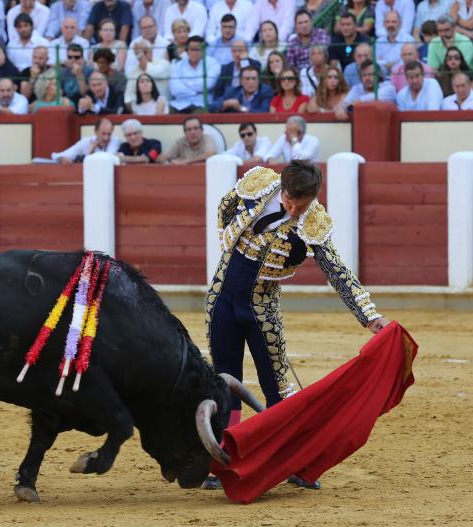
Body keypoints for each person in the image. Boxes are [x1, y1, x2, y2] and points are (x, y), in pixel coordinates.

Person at [202, 159, 389, 489]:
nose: (292, 210)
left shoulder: (314, 221)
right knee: (224, 380)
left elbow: (336, 270)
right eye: (289, 201)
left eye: (300, 206)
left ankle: (290, 462)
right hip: (222, 300)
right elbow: (225, 206)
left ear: (313, 197)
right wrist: (229, 244)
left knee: (277, 386)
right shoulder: (260, 184)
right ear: (282, 188)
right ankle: (224, 461)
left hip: (262, 308)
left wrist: (369, 315)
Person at [169, 36, 221, 113]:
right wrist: (196, 92)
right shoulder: (178, 65)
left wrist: (185, 83)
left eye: (197, 49)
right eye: (192, 49)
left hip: (202, 104)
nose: (194, 53)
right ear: (187, 50)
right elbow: (174, 89)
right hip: (180, 104)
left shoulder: (213, 64)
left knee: (197, 117)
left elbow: (207, 85)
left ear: (204, 50)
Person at [124, 40, 170, 108]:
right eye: (140, 53)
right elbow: (128, 98)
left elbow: (151, 70)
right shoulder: (134, 72)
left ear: (151, 52)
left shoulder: (164, 64)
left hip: (163, 109)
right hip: (140, 110)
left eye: (145, 52)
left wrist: (140, 54)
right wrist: (136, 111)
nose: (142, 55)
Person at [51, 117, 121, 162]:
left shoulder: (115, 141)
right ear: (96, 132)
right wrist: (61, 158)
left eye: (109, 134)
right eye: (103, 134)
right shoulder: (86, 142)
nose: (106, 138)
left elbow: (107, 159)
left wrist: (90, 153)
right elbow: (58, 156)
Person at [211, 39, 258, 104]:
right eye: (234, 51)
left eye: (240, 50)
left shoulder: (255, 65)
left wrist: (244, 61)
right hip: (229, 101)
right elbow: (218, 92)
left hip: (248, 100)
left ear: (247, 52)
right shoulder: (225, 68)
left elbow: (248, 77)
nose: (237, 54)